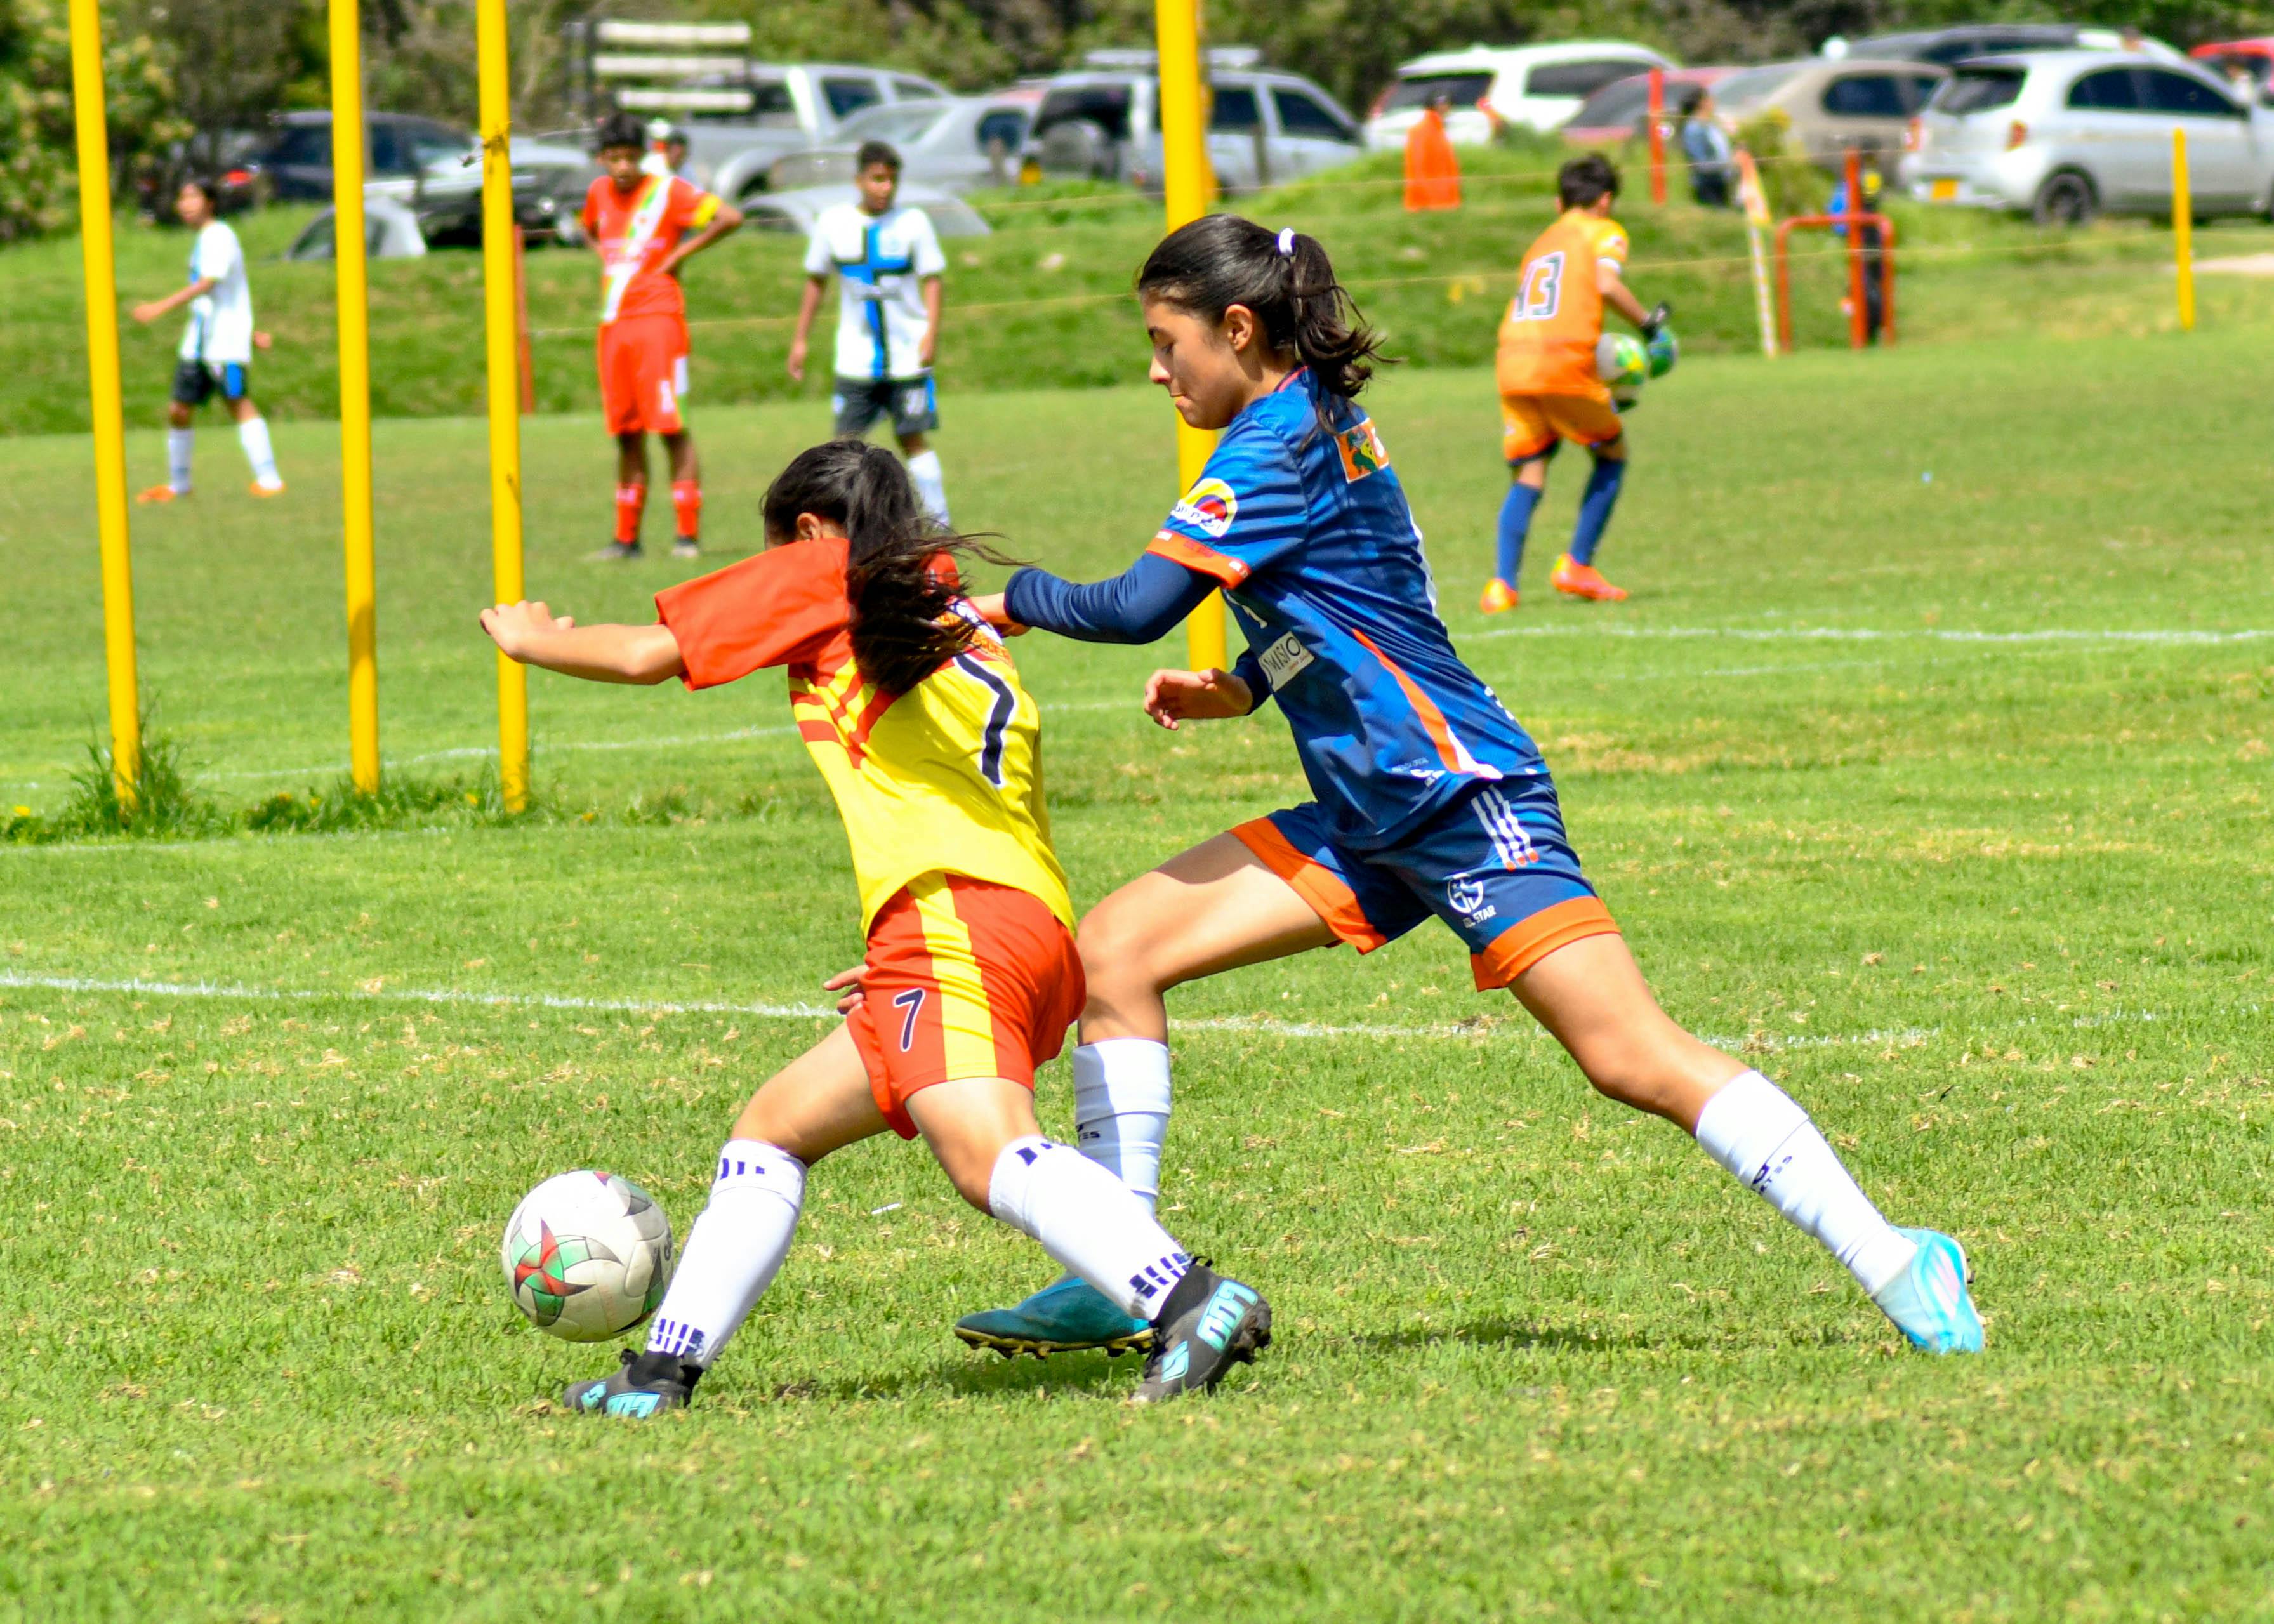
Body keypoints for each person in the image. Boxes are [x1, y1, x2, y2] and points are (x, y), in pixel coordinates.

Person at [949, 215, 1983, 1362]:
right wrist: (1246, 685)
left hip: (1455, 798)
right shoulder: (1306, 421)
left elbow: (1138, 606)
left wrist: (1008, 598)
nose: (1156, 371)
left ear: (1235, 328)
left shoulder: (1268, 444)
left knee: (1630, 1055)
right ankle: (1115, 1269)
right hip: (1365, 813)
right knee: (1117, 948)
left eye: (1165, 341)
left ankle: (1897, 1256)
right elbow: (1354, 594)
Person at [479, 441, 1273, 1414]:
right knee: (771, 1131)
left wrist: (531, 638)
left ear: (812, 530)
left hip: (953, 923)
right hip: (1007, 925)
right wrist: (917, 947)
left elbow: (648, 655)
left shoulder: (830, 572)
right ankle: (658, 1376)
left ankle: (1188, 1298)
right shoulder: (951, 614)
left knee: (988, 1154)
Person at [1482, 153, 1663, 612]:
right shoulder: (1603, 231)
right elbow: (1605, 284)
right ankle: (1577, 564)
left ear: (1558, 202)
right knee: (1612, 453)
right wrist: (1648, 325)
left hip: (1513, 360)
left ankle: (1502, 586)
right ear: (1605, 201)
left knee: (1530, 469)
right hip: (1562, 359)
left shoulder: (1541, 242)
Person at [581, 110, 743, 562]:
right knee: (626, 432)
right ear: (602, 159)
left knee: (671, 427)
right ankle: (625, 540)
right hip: (615, 323)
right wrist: (609, 261)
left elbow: (730, 217)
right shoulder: (598, 193)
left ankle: (687, 537)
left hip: (659, 320)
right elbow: (589, 228)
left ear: (642, 156)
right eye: (614, 158)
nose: (623, 167)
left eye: (630, 157)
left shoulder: (667, 192)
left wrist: (680, 254)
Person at [788, 140, 952, 525]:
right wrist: (800, 339)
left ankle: (939, 522)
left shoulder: (913, 223)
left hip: (908, 356)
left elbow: (932, 279)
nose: (885, 188)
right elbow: (816, 280)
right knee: (844, 447)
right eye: (877, 179)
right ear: (859, 180)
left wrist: (931, 333)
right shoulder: (833, 223)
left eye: (892, 180)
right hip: (856, 358)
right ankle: (845, 527)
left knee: (913, 438)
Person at [130, 176, 282, 503]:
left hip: (223, 344)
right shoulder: (205, 238)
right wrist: (252, 333)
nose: (185, 205)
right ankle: (179, 485)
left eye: (192, 197)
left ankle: (270, 480)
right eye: (182, 198)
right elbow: (224, 295)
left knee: (237, 401)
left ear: (210, 202)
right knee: (178, 408)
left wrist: (159, 307)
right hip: (199, 342)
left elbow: (208, 284)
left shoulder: (220, 236)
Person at [1828, 160, 1887, 343]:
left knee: (1871, 286)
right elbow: (1838, 223)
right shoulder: (1847, 189)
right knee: (1863, 287)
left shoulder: (1850, 187)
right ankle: (1863, 327)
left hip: (1870, 243)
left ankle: (1871, 328)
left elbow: (1838, 223)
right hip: (1864, 243)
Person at [1403, 92, 1462, 212]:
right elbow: (1418, 168)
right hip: (1429, 204)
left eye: (1447, 104)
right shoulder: (1421, 131)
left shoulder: (1438, 130)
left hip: (1442, 201)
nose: (1445, 108)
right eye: (1441, 104)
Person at [1679, 91, 1735, 208]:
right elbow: (1701, 162)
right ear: (1702, 103)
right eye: (1710, 99)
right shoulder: (1694, 129)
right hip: (1707, 184)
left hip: (1720, 180)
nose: (1714, 102)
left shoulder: (1711, 125)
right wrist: (1730, 162)